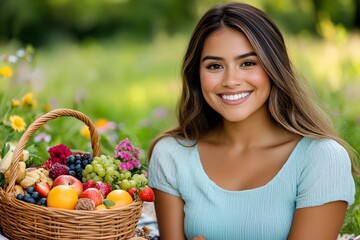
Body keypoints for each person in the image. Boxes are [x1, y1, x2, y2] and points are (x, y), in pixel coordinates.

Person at [147, 2, 358, 239]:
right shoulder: (172, 155)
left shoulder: (321, 158)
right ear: (197, 75)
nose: (231, 80)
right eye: (215, 66)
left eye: (248, 63)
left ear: (274, 67)